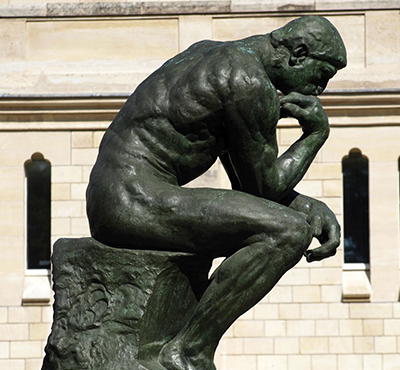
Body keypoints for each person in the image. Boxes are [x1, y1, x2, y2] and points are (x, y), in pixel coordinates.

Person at [86, 15, 346, 370]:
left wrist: (308, 205)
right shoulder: (248, 82)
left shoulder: (213, 54)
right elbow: (265, 187)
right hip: (132, 198)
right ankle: (189, 351)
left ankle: (184, 340)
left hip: (116, 193)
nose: (320, 90)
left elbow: (250, 186)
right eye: (322, 76)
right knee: (288, 232)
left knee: (285, 223)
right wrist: (314, 135)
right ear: (298, 54)